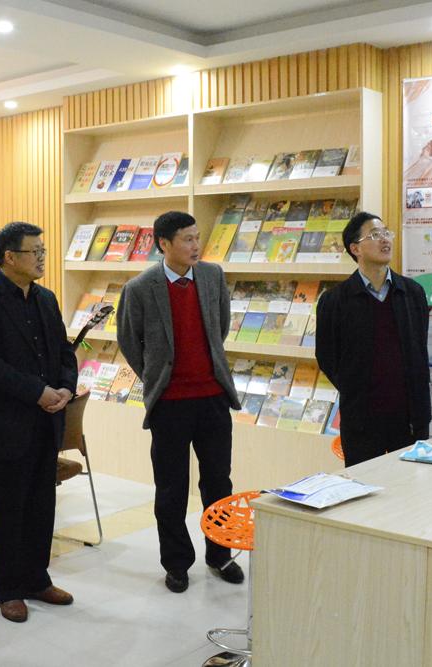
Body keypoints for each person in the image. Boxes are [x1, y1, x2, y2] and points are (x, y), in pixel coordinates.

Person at [116, 211, 243, 594]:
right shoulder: (140, 287)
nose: (195, 246)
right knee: (171, 487)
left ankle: (220, 554)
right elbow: (129, 341)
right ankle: (176, 563)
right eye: (187, 239)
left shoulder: (212, 276)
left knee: (218, 481)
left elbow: (220, 327)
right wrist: (158, 377)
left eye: (197, 237)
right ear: (164, 244)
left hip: (213, 399)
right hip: (170, 403)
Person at [0, 222, 77, 623]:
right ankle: (9, 590)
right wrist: (37, 392)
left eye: (43, 250)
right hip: (6, 425)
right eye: (35, 252)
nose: (42, 258)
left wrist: (65, 388)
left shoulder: (46, 298)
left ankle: (37, 579)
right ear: (10, 257)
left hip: (47, 421)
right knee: (10, 509)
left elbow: (63, 351)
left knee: (42, 505)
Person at [315, 211, 431, 467]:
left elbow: (419, 348)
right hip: (362, 422)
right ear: (355, 248)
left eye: (386, 233)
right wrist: (356, 388)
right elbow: (326, 357)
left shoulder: (413, 293)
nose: (385, 239)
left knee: (412, 485)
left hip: (410, 419)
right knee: (365, 487)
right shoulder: (335, 301)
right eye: (375, 235)